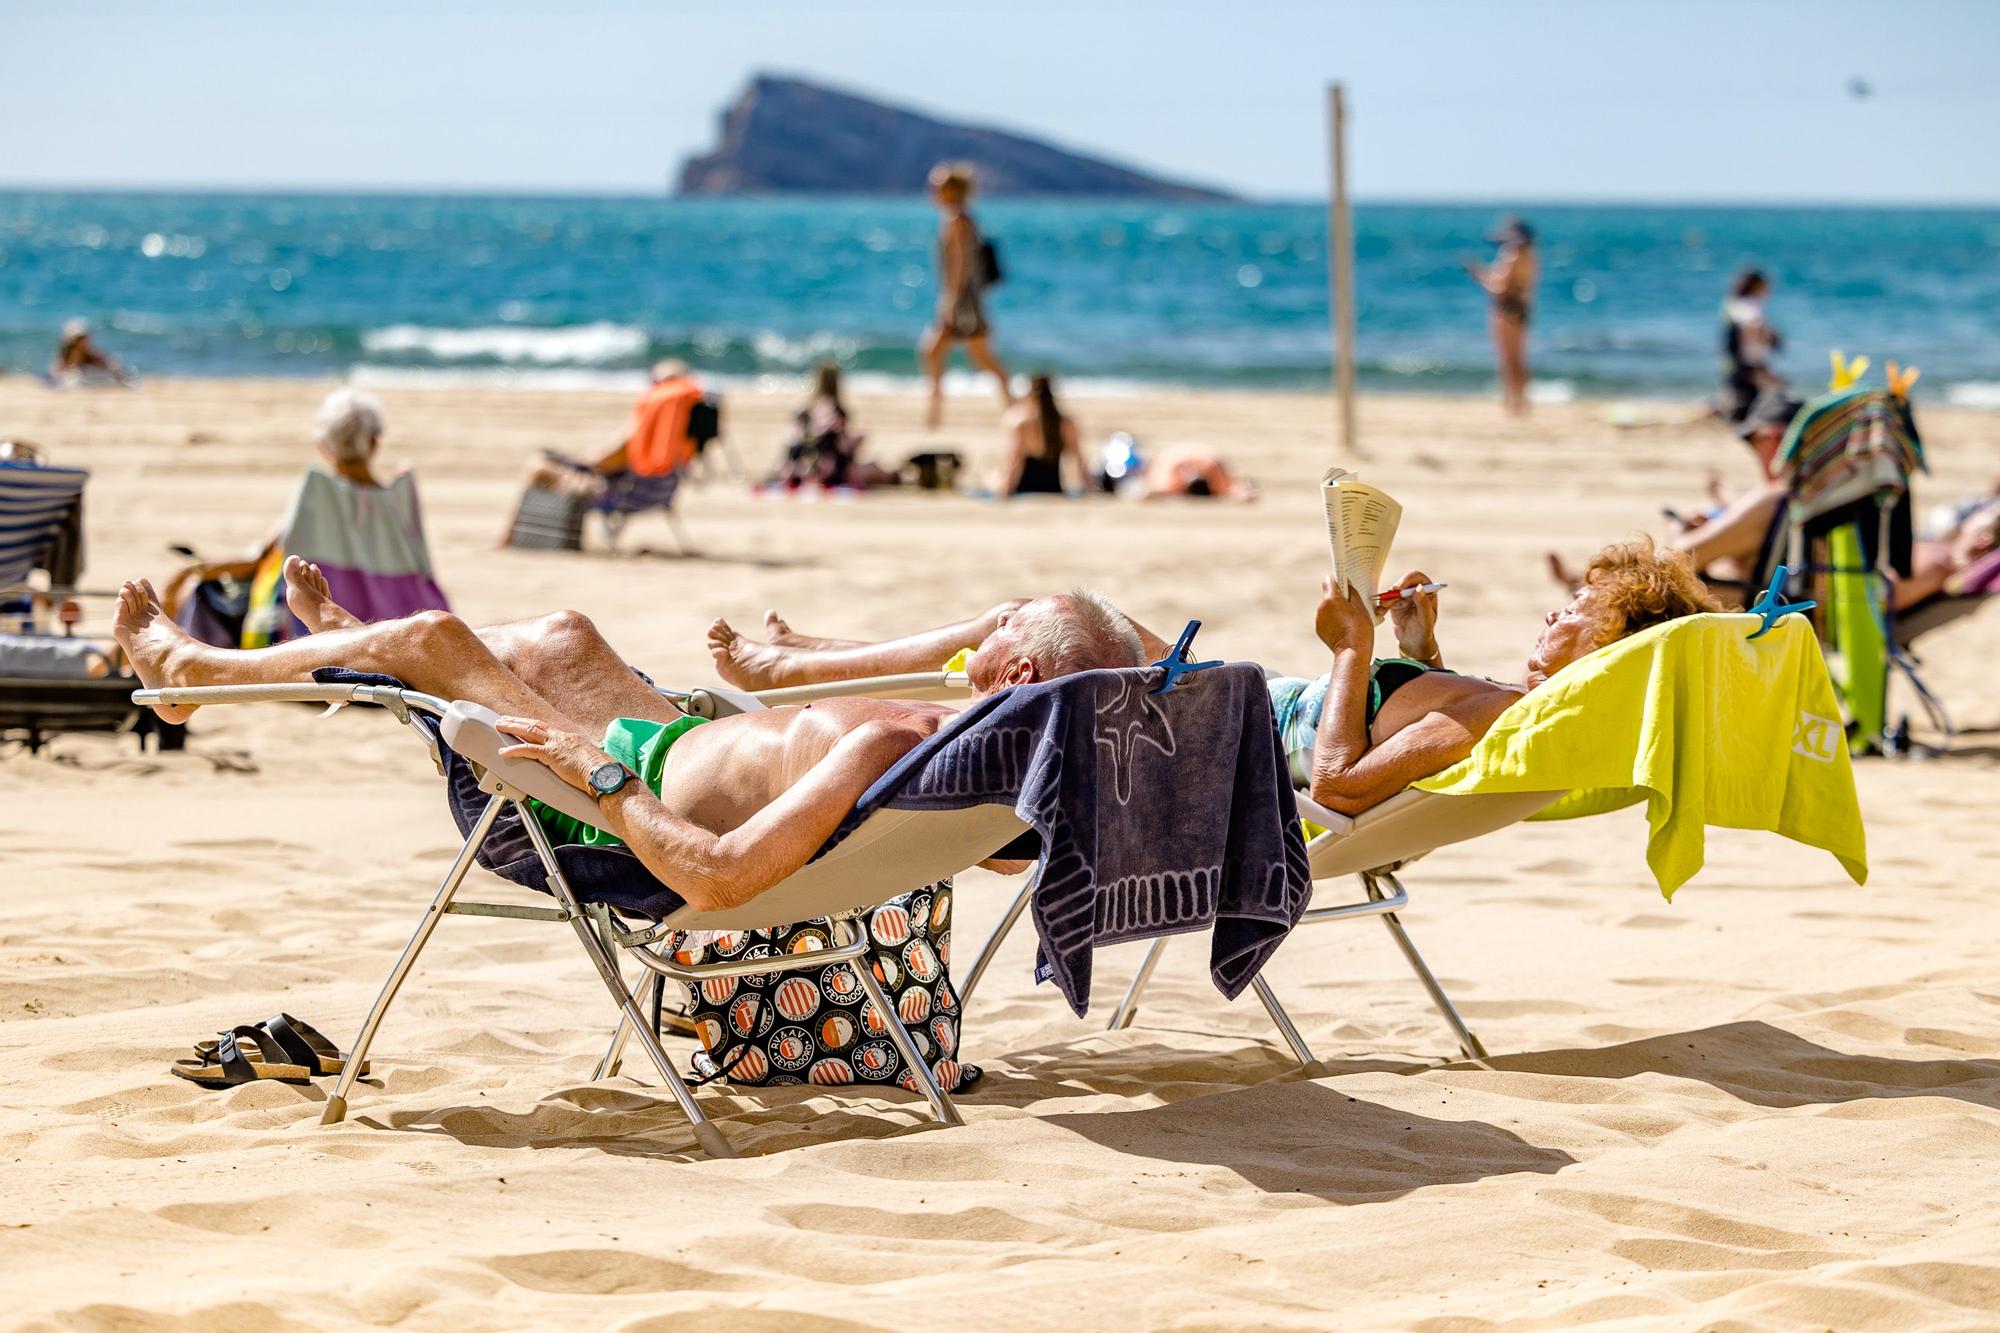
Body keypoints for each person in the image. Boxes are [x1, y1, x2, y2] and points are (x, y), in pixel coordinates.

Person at [114, 566, 1144, 913]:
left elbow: (717, 879)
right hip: (667, 745)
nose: (981, 623)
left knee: (436, 639)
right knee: (564, 635)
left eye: (998, 626)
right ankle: (351, 648)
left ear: (1015, 676)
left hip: (609, 819)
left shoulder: (903, 742)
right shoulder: (1009, 784)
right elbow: (1129, 664)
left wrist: (591, 769)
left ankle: (193, 673)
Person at [1280, 539, 1720, 815]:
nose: (1551, 614)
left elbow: (1337, 789)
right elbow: (1422, 746)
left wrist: (1351, 645)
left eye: (1570, 610)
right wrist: (1420, 651)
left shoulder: (1507, 714)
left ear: (1602, 646)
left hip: (1241, 730)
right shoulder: (1530, 716)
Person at [162, 388, 448, 644]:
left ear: (323, 446)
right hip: (403, 640)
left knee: (196, 586)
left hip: (308, 638)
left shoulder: (318, 495)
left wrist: (192, 569)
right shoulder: (398, 501)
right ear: (375, 442)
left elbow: (254, 561)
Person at [707, 595, 1172, 693]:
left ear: (1017, 678)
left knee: (1012, 616)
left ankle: (792, 669)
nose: (1005, 622)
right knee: (1021, 614)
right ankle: (811, 656)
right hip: (1147, 700)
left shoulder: (886, 741)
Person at [920, 163, 1012, 428]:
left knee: (936, 351)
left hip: (962, 301)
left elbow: (960, 265)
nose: (932, 191)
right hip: (968, 299)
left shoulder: (956, 220)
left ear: (951, 190)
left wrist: (949, 300)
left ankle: (934, 413)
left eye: (937, 186)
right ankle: (1013, 407)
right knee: (979, 356)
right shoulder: (964, 218)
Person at [1465, 217, 1538, 417]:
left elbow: (1499, 287)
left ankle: (1512, 403)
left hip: (1505, 309)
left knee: (1507, 359)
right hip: (1522, 309)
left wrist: (1478, 274)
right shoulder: (1530, 255)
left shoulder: (1511, 255)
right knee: (1520, 358)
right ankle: (1523, 401)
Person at [998, 374, 1085, 497]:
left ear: (1031, 395)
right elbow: (1078, 459)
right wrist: (1089, 488)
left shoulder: (1022, 424)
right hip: (1054, 487)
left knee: (993, 475)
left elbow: (1015, 462)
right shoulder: (1066, 423)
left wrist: (1004, 491)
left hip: (1025, 486)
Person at [1720, 269, 1786, 424]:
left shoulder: (1733, 303)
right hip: (1749, 359)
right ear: (1757, 286)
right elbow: (1753, 324)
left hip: (1739, 358)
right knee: (1751, 401)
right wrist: (1768, 336)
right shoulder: (1748, 305)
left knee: (1741, 397)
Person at [50, 318, 128, 385]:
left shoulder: (91, 354)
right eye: (79, 339)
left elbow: (107, 365)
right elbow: (58, 372)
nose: (82, 342)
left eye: (83, 338)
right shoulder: (66, 355)